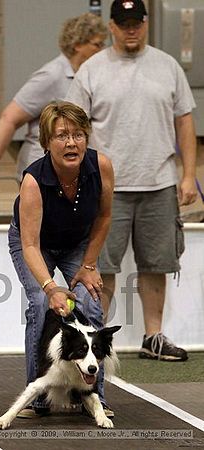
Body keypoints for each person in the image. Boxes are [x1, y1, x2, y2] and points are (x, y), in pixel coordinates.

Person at [66, 0, 198, 361]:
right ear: (111, 26)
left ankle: (153, 336)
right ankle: (93, 338)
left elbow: (185, 121)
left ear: (145, 24)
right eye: (123, 23)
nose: (131, 30)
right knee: (101, 266)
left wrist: (188, 175)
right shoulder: (92, 70)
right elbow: (74, 127)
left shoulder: (167, 66)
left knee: (156, 264)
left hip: (158, 182)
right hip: (108, 187)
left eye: (136, 23)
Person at [8, 101, 114, 418]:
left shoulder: (102, 167)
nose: (71, 143)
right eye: (61, 136)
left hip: (77, 243)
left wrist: (89, 265)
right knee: (41, 305)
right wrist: (51, 288)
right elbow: (29, 244)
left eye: (79, 135)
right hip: (35, 243)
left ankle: (93, 396)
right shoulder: (33, 181)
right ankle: (38, 397)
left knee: (92, 302)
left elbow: (105, 217)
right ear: (47, 142)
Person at [0, 13, 107, 188]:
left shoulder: (90, 76)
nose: (102, 51)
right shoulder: (51, 76)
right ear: (78, 44)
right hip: (41, 173)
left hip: (70, 171)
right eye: (97, 44)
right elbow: (9, 118)